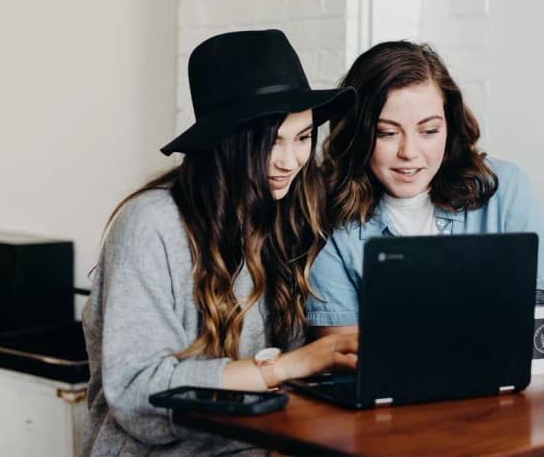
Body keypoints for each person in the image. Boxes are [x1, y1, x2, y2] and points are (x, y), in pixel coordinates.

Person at [81, 30, 357, 456]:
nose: (290, 161)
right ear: (226, 141)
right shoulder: (151, 225)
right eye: (270, 142)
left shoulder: (287, 214)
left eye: (302, 138)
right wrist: (285, 366)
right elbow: (137, 392)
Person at [306, 41, 544, 349]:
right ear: (357, 134)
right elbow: (340, 349)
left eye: (429, 131)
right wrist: (487, 325)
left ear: (450, 126)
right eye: (387, 133)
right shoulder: (327, 212)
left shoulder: (503, 187)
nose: (409, 152)